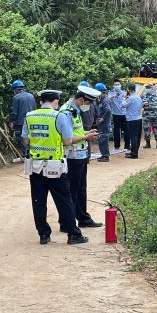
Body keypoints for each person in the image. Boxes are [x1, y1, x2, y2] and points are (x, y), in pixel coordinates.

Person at [21, 89, 90, 245]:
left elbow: (26, 140)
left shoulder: (30, 116)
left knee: (38, 201)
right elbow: (67, 141)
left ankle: (44, 235)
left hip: (36, 166)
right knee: (64, 200)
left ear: (41, 101)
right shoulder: (58, 116)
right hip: (55, 167)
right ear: (56, 101)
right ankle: (74, 234)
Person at [60, 85, 102, 228]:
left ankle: (83, 219)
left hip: (80, 155)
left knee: (80, 189)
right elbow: (67, 138)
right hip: (72, 157)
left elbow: (75, 132)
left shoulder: (75, 111)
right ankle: (66, 222)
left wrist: (87, 133)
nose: (89, 106)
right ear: (81, 100)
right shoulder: (66, 112)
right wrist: (86, 137)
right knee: (72, 191)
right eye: (88, 103)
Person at [10, 80, 36, 156]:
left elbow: (14, 112)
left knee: (21, 139)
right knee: (31, 138)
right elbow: (34, 108)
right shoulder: (31, 96)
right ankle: (32, 153)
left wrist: (11, 121)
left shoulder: (16, 97)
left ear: (15, 89)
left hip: (20, 122)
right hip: (31, 121)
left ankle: (26, 155)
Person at [93, 82, 112, 162]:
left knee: (103, 139)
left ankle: (105, 156)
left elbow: (108, 110)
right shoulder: (101, 99)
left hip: (104, 124)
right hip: (101, 124)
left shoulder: (105, 100)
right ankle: (104, 155)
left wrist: (103, 118)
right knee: (101, 139)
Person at [123, 84, 143, 159]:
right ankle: (135, 152)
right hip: (138, 118)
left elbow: (123, 105)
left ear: (129, 90)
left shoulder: (131, 98)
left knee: (133, 137)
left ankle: (134, 153)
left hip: (132, 119)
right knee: (137, 136)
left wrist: (124, 99)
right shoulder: (138, 97)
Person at [108, 80, 126, 152]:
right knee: (116, 130)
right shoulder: (111, 93)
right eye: (115, 84)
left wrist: (123, 95)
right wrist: (115, 95)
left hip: (124, 114)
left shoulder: (124, 92)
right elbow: (108, 99)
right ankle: (117, 146)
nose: (117, 86)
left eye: (118, 84)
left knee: (126, 130)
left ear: (120, 85)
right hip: (116, 114)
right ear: (113, 86)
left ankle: (127, 145)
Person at [142, 83, 157, 149]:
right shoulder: (143, 96)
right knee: (146, 129)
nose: (147, 89)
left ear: (152, 88)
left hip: (155, 115)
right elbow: (141, 104)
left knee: (156, 129)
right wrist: (143, 104)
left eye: (149, 87)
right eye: (146, 88)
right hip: (146, 115)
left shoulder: (156, 96)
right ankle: (148, 143)